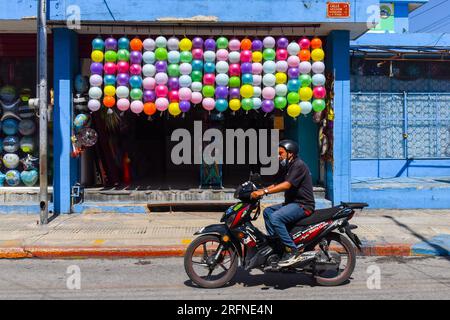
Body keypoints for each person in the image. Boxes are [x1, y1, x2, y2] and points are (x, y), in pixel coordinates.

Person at [251, 139, 315, 267]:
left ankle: (292, 251)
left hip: (302, 205)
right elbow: (278, 183)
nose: (278, 156)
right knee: (268, 212)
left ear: (290, 153)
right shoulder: (287, 166)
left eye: (281, 153)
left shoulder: (299, 165)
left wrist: (264, 192)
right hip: (292, 203)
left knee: (276, 218)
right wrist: (261, 190)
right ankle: (278, 245)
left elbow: (286, 185)